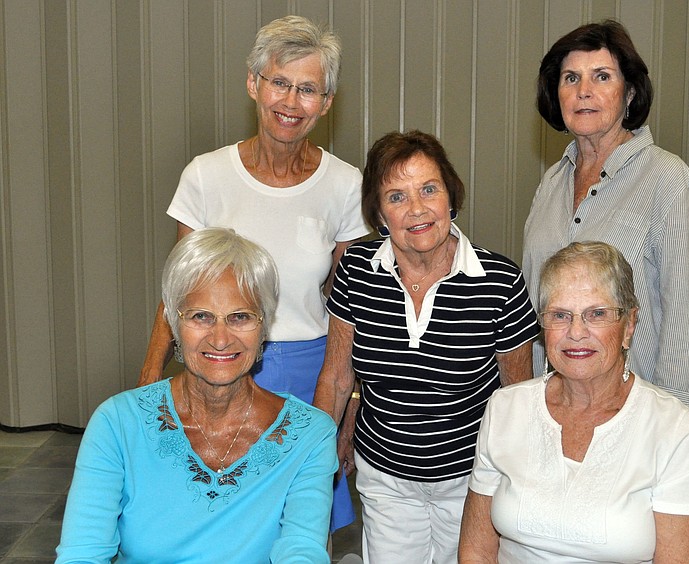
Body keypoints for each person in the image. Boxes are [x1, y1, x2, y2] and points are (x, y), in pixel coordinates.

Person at [137, 15, 368, 531]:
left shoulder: (345, 185)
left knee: (303, 526)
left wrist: (348, 410)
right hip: (216, 369)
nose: (290, 102)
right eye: (279, 83)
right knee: (221, 521)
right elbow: (177, 299)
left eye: (308, 89)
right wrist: (150, 384)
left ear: (327, 102)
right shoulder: (205, 176)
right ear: (253, 84)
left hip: (313, 378)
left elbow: (348, 308)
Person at [313, 130, 539, 564]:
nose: (416, 209)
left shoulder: (499, 281)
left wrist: (515, 481)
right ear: (378, 213)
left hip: (472, 481)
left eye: (428, 190)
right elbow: (338, 376)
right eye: (396, 197)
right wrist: (318, 457)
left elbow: (518, 397)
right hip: (385, 478)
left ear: (450, 197)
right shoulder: (357, 271)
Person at [57, 228, 338, 563]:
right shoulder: (117, 424)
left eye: (240, 317)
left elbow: (302, 548)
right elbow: (82, 553)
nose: (220, 339)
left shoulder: (310, 434)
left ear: (264, 326)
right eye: (201, 316)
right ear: (174, 325)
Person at [459, 241, 689, 563]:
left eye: (596, 314)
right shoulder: (505, 409)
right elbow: (476, 550)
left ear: (629, 325)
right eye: (560, 315)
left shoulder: (672, 428)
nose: (576, 332)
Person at [522, 19, 689, 411]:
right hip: (556, 404)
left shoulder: (668, 179)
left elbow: (688, 306)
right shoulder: (551, 183)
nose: (584, 92)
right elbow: (533, 297)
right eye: (570, 78)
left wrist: (674, 414)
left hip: (633, 410)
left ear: (629, 93)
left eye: (602, 76)